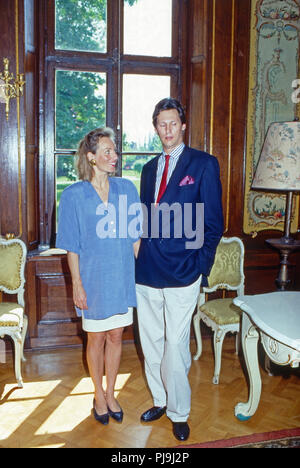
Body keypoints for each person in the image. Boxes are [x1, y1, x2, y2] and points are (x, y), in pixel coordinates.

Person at [135, 98, 223, 441]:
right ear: (155, 127)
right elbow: (145, 219)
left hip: (184, 271)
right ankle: (160, 400)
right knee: (152, 342)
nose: (167, 130)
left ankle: (179, 411)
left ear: (183, 125)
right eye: (161, 124)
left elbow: (213, 224)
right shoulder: (146, 170)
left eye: (173, 123)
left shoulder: (203, 164)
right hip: (147, 271)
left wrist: (201, 268)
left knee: (175, 344)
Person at [56, 127, 142, 426]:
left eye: (115, 151)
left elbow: (135, 239)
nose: (114, 156)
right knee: (96, 338)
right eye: (107, 151)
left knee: (117, 335)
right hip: (92, 279)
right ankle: (97, 393)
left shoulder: (128, 189)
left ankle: (111, 392)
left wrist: (142, 277)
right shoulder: (72, 195)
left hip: (121, 277)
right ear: (91, 157)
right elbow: (71, 245)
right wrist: (77, 285)